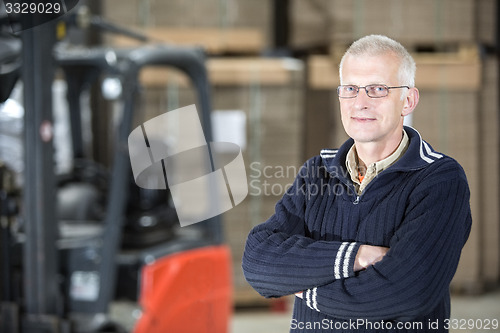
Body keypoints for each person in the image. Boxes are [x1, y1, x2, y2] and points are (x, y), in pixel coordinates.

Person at [242, 35, 472, 332]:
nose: (360, 103)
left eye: (377, 89)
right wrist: (356, 257)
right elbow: (258, 263)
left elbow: (408, 292)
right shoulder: (318, 172)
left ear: (409, 100)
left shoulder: (440, 179)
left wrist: (307, 289)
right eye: (350, 89)